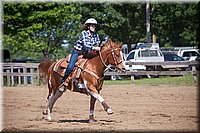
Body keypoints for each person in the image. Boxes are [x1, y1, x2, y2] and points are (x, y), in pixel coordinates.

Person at [60, 18, 101, 86]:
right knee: (70, 66)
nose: (94, 27)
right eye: (92, 26)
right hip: (78, 51)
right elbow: (86, 45)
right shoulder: (84, 33)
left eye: (94, 26)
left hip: (88, 53)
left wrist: (98, 47)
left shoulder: (96, 35)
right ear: (88, 26)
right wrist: (95, 47)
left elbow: (97, 43)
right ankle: (64, 80)